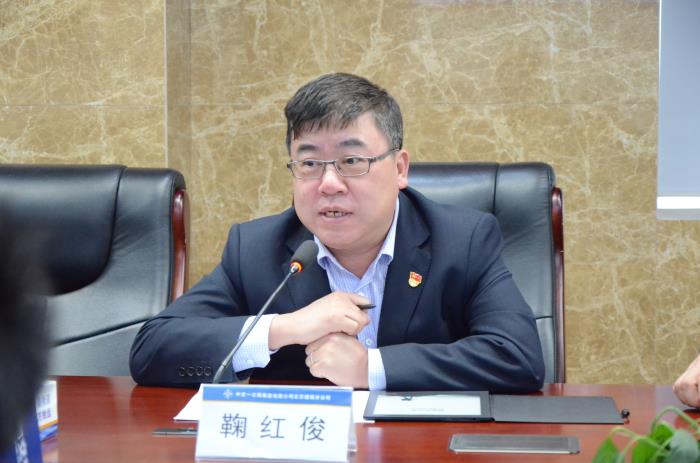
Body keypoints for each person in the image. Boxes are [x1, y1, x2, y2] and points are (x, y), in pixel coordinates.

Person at [129, 72, 545, 392]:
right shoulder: (256, 248)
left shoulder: (463, 239)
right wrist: (284, 328)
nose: (329, 184)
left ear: (400, 169)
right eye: (309, 164)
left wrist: (370, 368)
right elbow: (152, 350)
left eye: (351, 161)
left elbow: (517, 357)